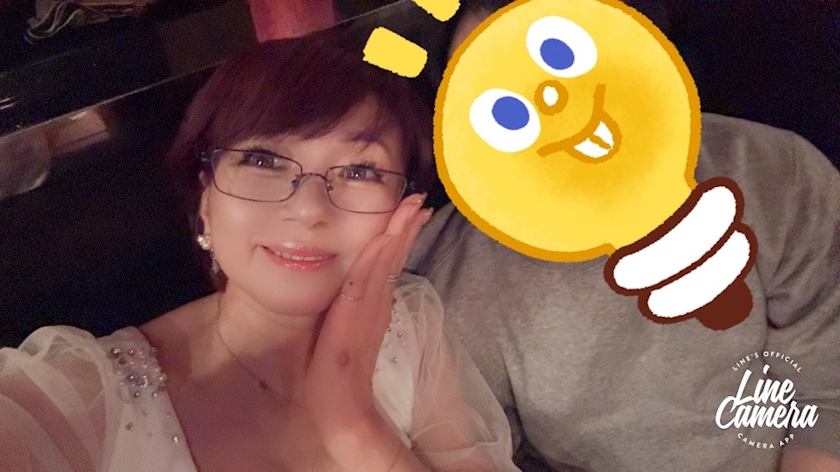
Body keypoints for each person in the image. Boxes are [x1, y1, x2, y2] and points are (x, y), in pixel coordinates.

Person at [0, 28, 519, 471]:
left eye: (360, 170)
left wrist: (354, 426)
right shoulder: (78, 398)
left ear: (404, 205)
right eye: (264, 161)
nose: (309, 208)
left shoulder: (408, 326)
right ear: (205, 196)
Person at [407, 1, 840, 471]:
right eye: (503, 103)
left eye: (558, 54)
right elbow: (476, 451)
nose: (552, 99)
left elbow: (827, 393)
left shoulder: (778, 174)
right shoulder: (449, 277)